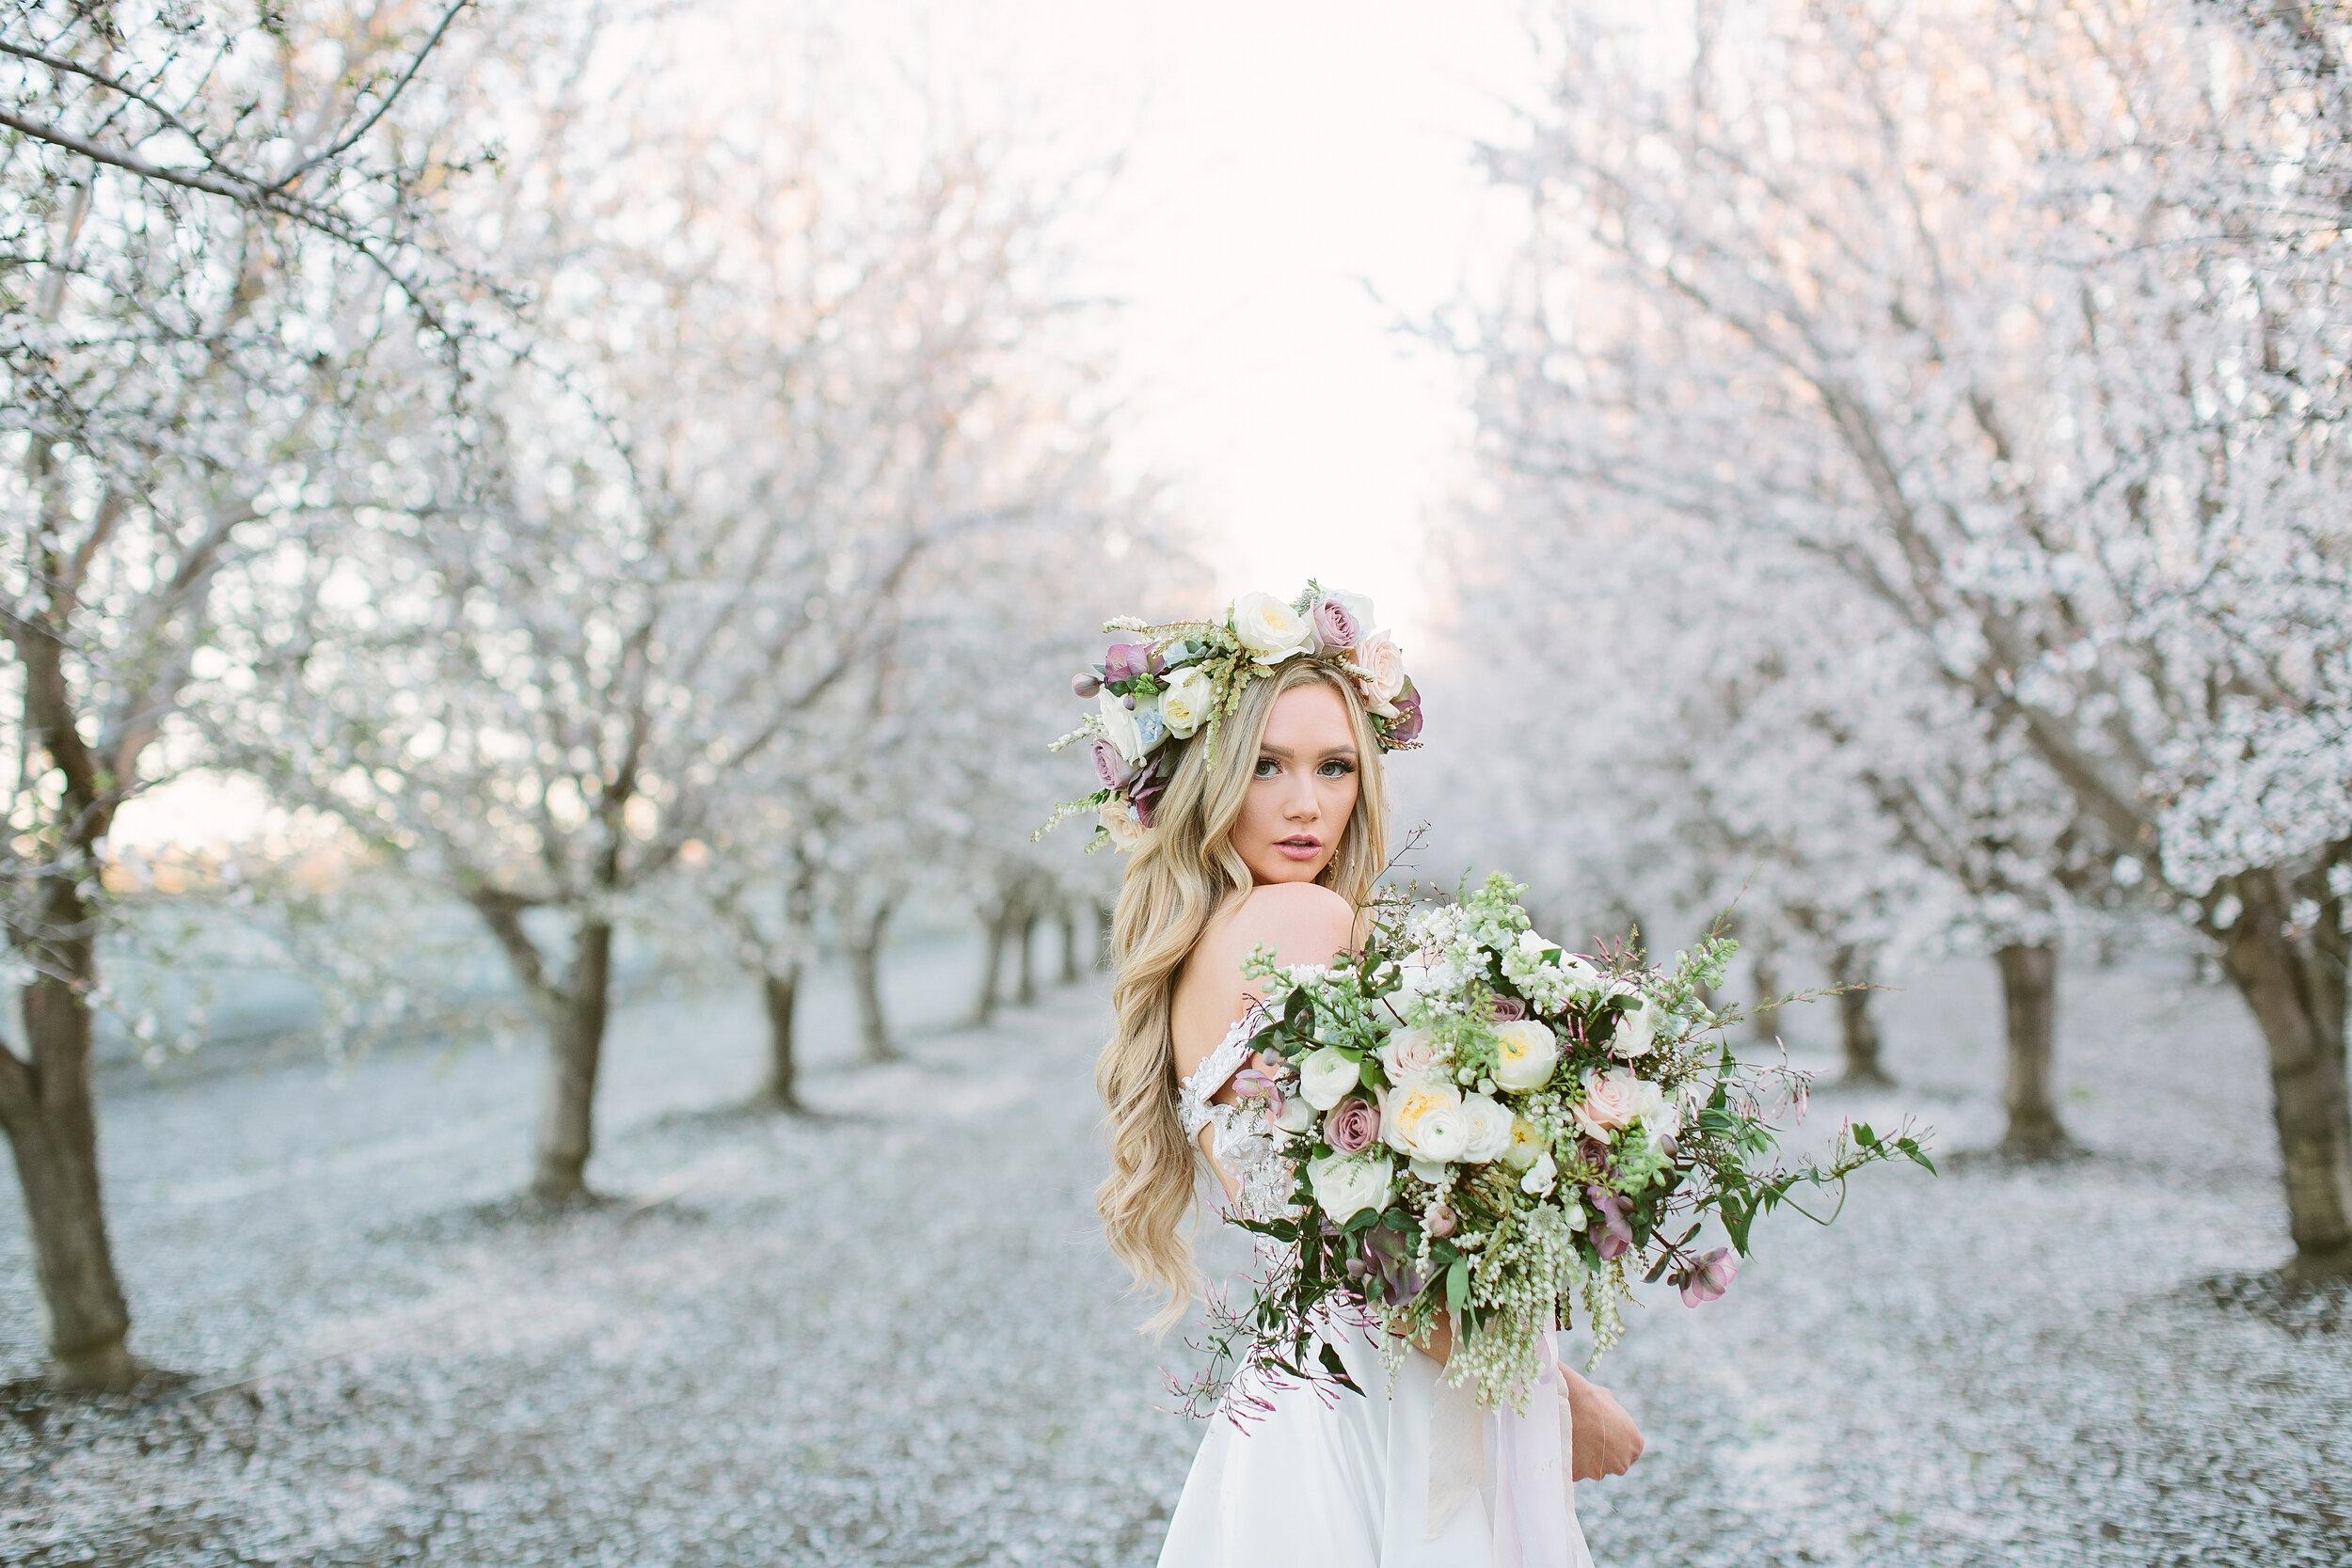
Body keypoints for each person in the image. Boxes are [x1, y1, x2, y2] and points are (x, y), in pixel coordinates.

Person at [1073, 592, 1645, 1568]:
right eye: (1265, 765)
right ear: (1205, 781)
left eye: (1334, 766)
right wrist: (1559, 1398)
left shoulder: (1203, 951)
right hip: (1388, 1406)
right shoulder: (1298, 922)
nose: (1306, 803)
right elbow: (1365, 1244)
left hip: (1298, 1405)